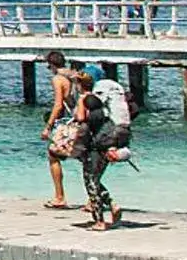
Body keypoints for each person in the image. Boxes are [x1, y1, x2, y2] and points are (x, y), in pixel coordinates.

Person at [78, 62, 134, 229]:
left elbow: (86, 117)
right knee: (95, 175)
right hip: (123, 132)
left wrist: (82, 100)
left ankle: (100, 220)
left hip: (106, 135)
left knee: (90, 176)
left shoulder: (95, 94)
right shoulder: (116, 89)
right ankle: (111, 205)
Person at [41, 53, 83, 207]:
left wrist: (48, 127)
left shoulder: (58, 79)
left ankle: (59, 197)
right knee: (85, 158)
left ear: (51, 65)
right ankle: (94, 199)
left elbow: (58, 105)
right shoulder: (74, 75)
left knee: (53, 155)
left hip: (72, 122)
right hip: (82, 119)